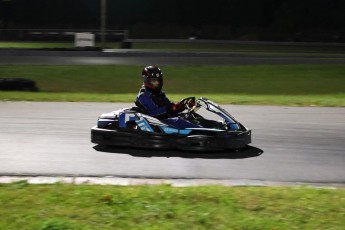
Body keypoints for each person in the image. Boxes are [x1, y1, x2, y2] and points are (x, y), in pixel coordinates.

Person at [135, 65, 200, 129]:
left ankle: (205, 129)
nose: (157, 83)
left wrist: (181, 106)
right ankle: (202, 132)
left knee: (193, 117)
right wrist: (170, 107)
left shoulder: (158, 93)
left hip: (165, 120)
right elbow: (154, 113)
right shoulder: (144, 96)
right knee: (179, 121)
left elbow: (170, 109)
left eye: (158, 80)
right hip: (156, 124)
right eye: (154, 81)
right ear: (147, 80)